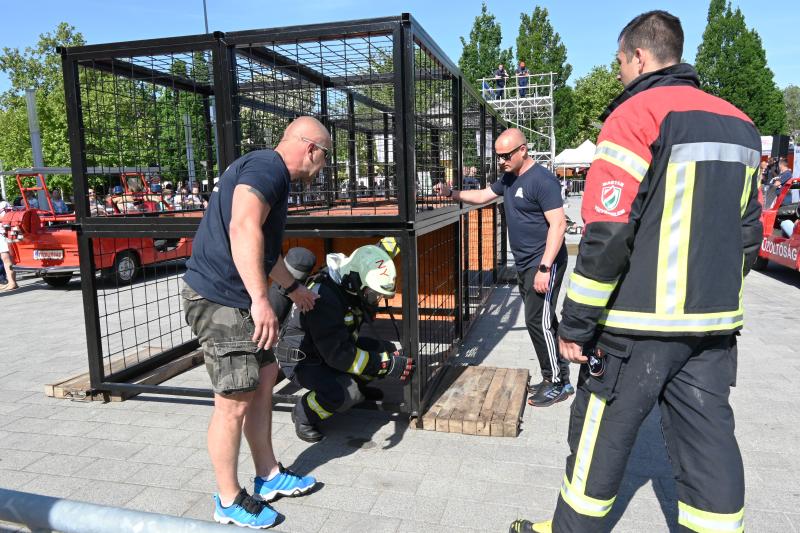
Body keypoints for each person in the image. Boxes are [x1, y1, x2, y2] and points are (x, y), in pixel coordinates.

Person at [510, 11, 761, 533]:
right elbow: (748, 234)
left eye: (620, 62)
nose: (620, 71)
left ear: (640, 57)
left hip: (635, 329)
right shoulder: (742, 124)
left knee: (597, 448)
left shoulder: (635, 115)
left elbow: (607, 232)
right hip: (713, 328)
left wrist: (576, 323)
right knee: (708, 444)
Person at [181, 116, 331, 529]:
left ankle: (267, 476)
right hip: (220, 300)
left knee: (263, 380)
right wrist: (261, 301)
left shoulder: (267, 170)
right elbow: (243, 226)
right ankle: (227, 499)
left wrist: (294, 290)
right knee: (232, 401)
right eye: (325, 157)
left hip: (238, 298)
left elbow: (265, 252)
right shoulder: (269, 169)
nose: (323, 167)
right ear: (311, 149)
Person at [435, 128, 572, 407]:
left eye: (506, 155)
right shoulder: (510, 178)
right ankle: (555, 375)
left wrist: (544, 268)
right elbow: (485, 194)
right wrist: (453, 193)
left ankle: (557, 382)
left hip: (542, 262)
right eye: (498, 156)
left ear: (523, 149)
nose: (501, 161)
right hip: (525, 263)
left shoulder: (542, 180)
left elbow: (559, 225)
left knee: (539, 321)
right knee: (543, 321)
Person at [274, 243, 414, 443]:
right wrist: (386, 365)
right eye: (373, 295)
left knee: (385, 350)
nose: (376, 300)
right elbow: (341, 357)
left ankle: (356, 386)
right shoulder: (324, 299)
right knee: (342, 394)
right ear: (355, 282)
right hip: (304, 362)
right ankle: (304, 413)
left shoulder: (354, 272)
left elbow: (382, 248)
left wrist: (404, 235)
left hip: (329, 350)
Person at [0, 197, 16, 291]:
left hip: (4, 234)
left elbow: (7, 218)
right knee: (5, 258)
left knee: (7, 258)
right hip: (2, 234)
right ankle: (12, 282)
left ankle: (12, 282)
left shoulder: (3, 204)